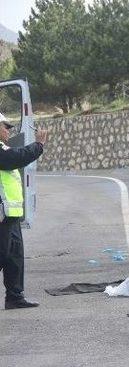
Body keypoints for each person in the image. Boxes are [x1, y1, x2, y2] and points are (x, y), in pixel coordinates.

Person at [0, 112, 46, 309]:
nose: (9, 129)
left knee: (14, 256)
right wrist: (39, 145)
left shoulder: (3, 148)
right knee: (2, 254)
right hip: (2, 215)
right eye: (5, 126)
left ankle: (15, 296)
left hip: (11, 214)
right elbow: (16, 158)